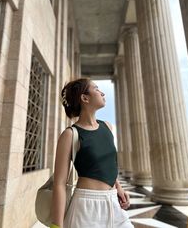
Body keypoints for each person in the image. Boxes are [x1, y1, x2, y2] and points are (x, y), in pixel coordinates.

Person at [50, 78, 134, 228]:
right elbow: (59, 184)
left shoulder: (107, 127)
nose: (102, 93)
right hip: (86, 207)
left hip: (114, 202)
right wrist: (56, 226)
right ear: (84, 98)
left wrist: (118, 187)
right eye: (96, 89)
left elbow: (108, 163)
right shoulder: (70, 135)